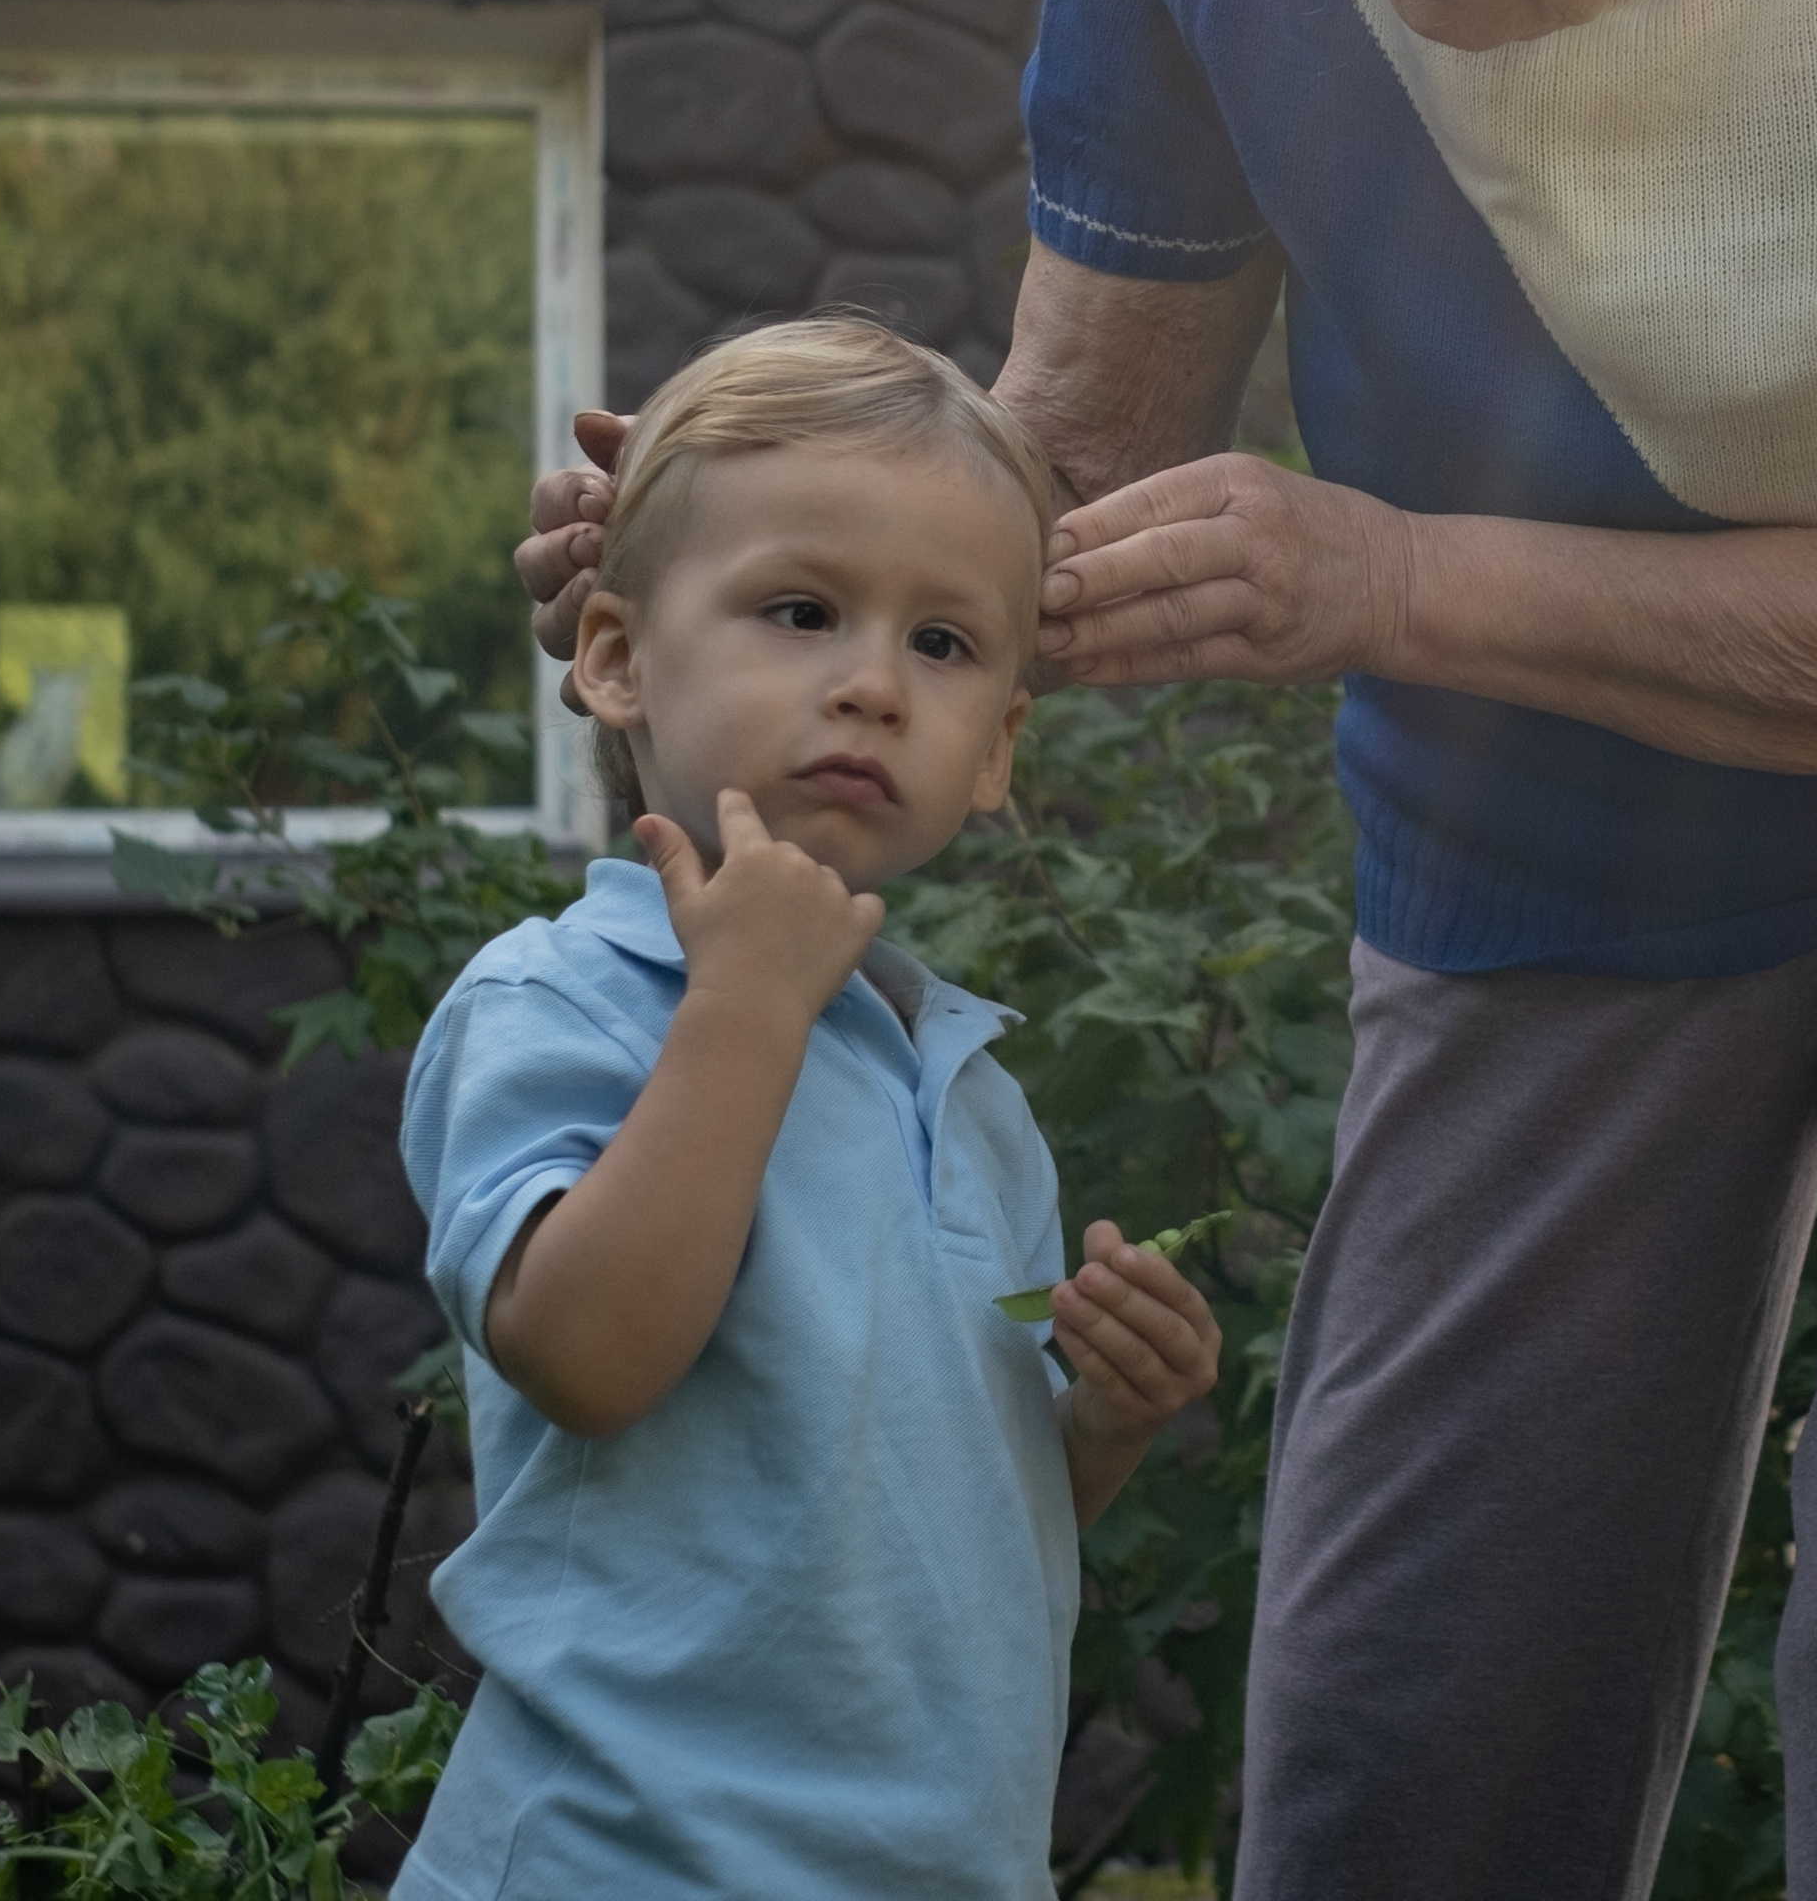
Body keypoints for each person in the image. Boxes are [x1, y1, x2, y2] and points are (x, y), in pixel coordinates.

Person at [521, 0, 1817, 1901]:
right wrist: (771, 550)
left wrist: (1386, 581)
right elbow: (1064, 454)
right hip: (1544, 854)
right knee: (1402, 1746)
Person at [400, 318, 1220, 1901]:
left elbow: (947, 1505)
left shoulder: (967, 1091)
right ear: (621, 656)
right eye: (802, 610)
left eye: (945, 645)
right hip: (623, 1862)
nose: (871, 685)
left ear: (998, 754)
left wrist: (1098, 1425)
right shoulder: (560, 1002)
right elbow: (584, 1356)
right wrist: (747, 1010)